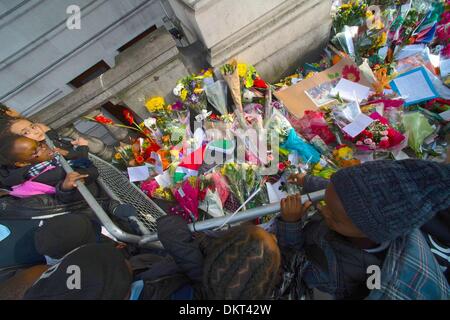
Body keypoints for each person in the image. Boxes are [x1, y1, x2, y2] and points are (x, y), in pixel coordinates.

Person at [278, 159, 450, 299]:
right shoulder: (389, 219)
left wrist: (291, 225)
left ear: (366, 231)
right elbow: (340, 192)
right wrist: (307, 181)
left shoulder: (339, 270)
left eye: (334, 217)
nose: (323, 210)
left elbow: (295, 267)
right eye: (326, 204)